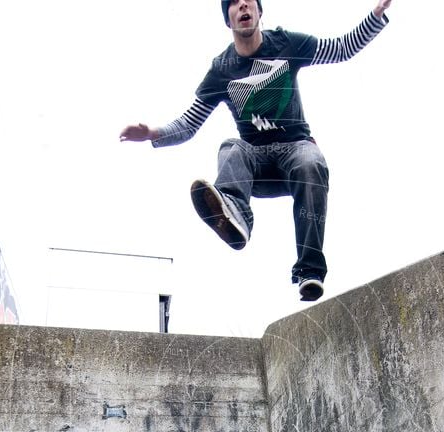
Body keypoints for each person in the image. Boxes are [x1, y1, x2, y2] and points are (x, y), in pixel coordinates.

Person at [120, 0, 392, 302]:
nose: (243, 5)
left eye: (249, 1)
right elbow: (190, 122)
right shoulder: (221, 69)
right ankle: (236, 217)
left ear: (260, 12)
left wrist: (376, 14)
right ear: (228, 20)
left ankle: (309, 271)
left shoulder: (286, 43)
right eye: (234, 4)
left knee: (310, 160)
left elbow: (341, 49)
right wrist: (153, 134)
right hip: (256, 166)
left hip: (294, 153)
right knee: (230, 148)